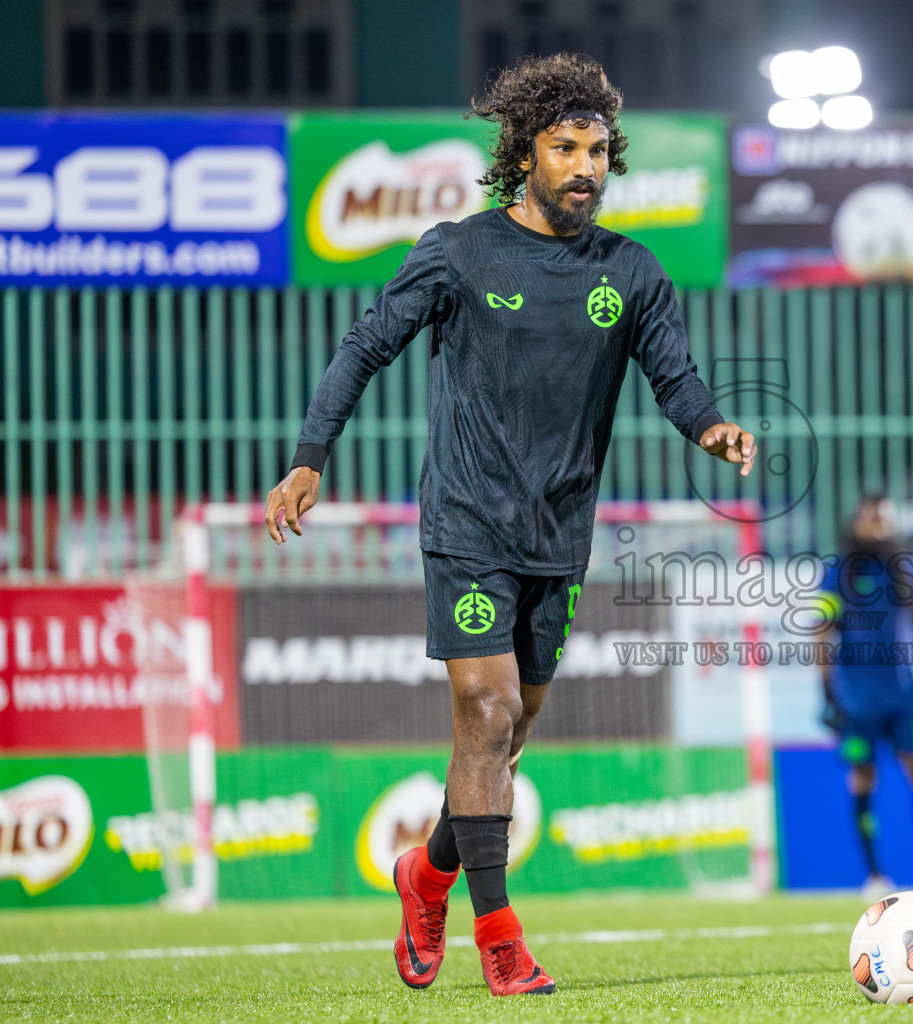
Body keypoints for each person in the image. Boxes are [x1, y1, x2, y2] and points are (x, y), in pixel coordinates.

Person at [262, 53, 755, 997]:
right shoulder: (459, 250)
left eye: (598, 150)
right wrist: (309, 456)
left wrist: (711, 426)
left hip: (558, 535)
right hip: (465, 522)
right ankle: (498, 939)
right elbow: (365, 348)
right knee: (484, 714)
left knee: (510, 732)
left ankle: (428, 872)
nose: (585, 166)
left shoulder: (632, 270)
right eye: (565, 147)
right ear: (522, 152)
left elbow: (675, 381)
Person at [816, 494, 913, 897]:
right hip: (855, 697)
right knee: (862, 778)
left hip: (903, 694)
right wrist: (827, 692)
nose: (876, 527)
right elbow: (821, 631)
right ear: (855, 522)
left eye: (884, 519)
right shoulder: (836, 572)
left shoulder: (905, 570)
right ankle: (875, 876)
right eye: (869, 518)